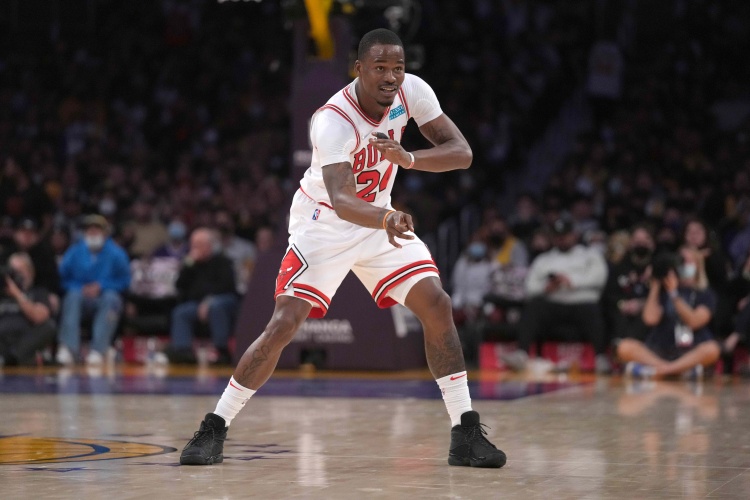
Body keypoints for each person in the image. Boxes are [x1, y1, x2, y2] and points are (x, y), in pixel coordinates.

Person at [179, 28, 506, 469]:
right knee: (283, 324)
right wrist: (386, 218)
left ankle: (464, 432)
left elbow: (461, 153)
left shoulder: (412, 91)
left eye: (397, 67)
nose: (390, 76)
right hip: (325, 224)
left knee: (437, 303)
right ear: (358, 69)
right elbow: (342, 199)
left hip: (378, 218)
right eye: (380, 68)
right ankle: (215, 426)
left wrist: (408, 159)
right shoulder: (333, 119)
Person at [502, 218, 610, 374]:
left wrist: (571, 281)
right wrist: (546, 287)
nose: (562, 239)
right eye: (558, 236)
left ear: (574, 235)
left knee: (593, 310)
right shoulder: (544, 259)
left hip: (581, 302)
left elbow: (599, 279)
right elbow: (530, 287)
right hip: (553, 303)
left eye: (565, 235)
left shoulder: (589, 255)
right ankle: (521, 354)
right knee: (533, 306)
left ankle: (600, 357)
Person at [616, 248, 720, 379]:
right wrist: (656, 283)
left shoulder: (705, 294)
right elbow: (650, 319)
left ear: (697, 265)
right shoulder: (663, 290)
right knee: (624, 346)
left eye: (686, 261)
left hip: (690, 350)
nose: (682, 265)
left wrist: (674, 294)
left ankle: (659, 371)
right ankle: (678, 371)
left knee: (712, 349)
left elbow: (694, 322)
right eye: (680, 262)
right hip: (659, 348)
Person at [56, 214, 131, 366]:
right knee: (72, 297)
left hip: (104, 296)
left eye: (97, 230)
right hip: (81, 296)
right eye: (90, 230)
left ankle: (99, 349)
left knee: (112, 299)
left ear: (105, 233)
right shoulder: (74, 252)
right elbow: (63, 278)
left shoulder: (117, 253)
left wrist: (102, 286)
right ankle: (69, 348)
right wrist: (80, 288)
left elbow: (125, 280)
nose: (93, 233)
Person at [159, 228, 238, 365]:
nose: (194, 249)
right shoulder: (191, 264)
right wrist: (188, 263)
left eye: (198, 245)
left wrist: (208, 302)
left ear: (209, 245)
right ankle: (183, 351)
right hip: (198, 304)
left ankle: (222, 350)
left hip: (222, 300)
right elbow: (179, 285)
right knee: (181, 312)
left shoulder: (222, 261)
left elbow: (227, 286)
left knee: (216, 307)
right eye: (193, 245)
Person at [0, 253, 56, 366]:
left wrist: (17, 294)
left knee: (49, 326)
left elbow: (40, 317)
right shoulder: (2, 294)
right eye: (13, 271)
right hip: (2, 338)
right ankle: (22, 358)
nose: (17, 275)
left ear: (30, 273)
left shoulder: (38, 292)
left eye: (21, 271)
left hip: (25, 339)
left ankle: (11, 358)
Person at [603, 225, 655, 343]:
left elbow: (664, 295)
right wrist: (623, 304)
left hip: (648, 309)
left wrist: (641, 304)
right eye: (637, 240)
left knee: (647, 316)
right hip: (622, 309)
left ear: (652, 244)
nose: (641, 243)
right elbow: (609, 294)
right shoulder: (619, 266)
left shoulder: (657, 268)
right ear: (631, 243)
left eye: (645, 240)